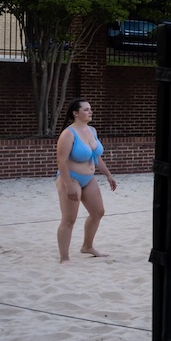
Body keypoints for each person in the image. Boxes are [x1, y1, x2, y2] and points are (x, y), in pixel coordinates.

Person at [55, 98, 117, 263]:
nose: (90, 112)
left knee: (98, 212)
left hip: (88, 178)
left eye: (90, 109)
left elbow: (96, 156)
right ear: (75, 113)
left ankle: (87, 246)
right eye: (86, 109)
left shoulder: (92, 130)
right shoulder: (68, 134)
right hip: (70, 178)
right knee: (69, 219)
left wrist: (108, 174)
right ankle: (64, 257)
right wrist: (68, 185)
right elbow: (61, 161)